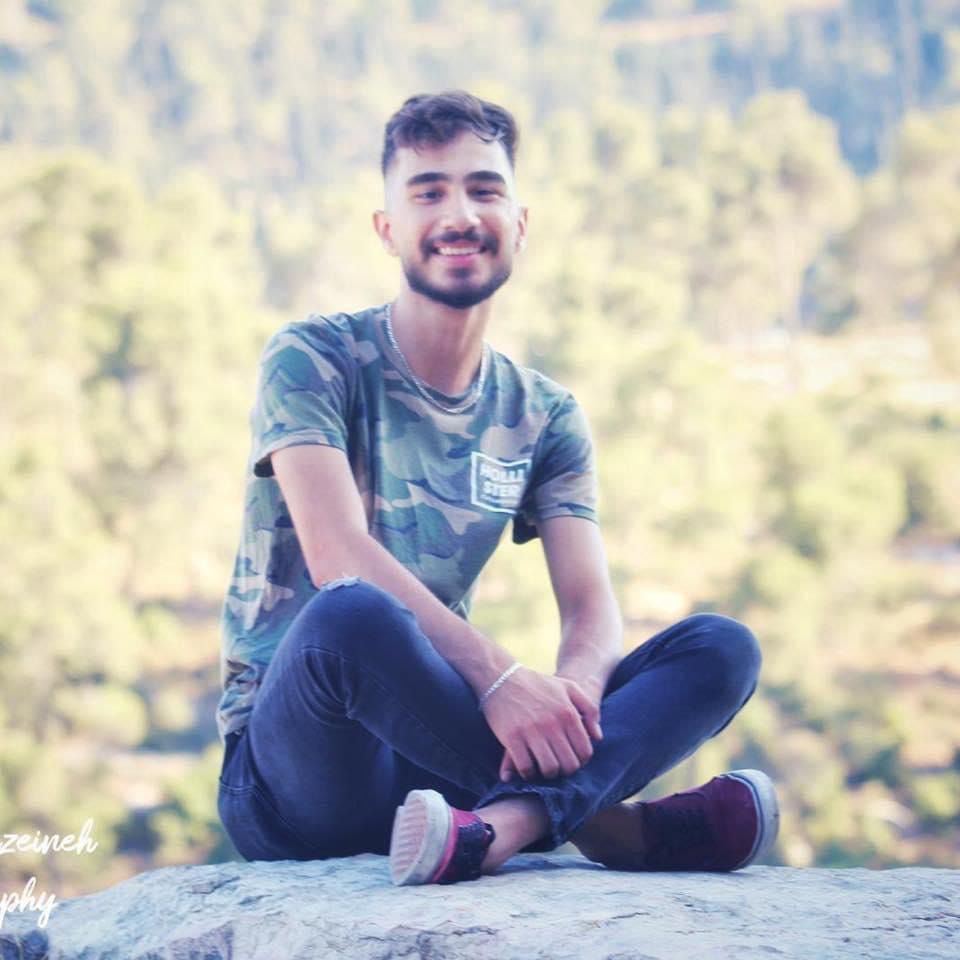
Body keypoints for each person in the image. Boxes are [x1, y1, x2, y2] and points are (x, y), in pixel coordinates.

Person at [215, 90, 779, 886]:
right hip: (296, 773)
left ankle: (504, 826)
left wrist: (570, 703)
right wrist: (503, 680)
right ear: (387, 229)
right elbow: (335, 551)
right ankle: (617, 828)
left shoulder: (544, 414)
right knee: (349, 612)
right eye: (428, 192)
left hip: (438, 778)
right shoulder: (312, 357)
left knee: (720, 648)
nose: (459, 214)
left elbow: (590, 608)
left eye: (484, 189)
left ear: (519, 222)